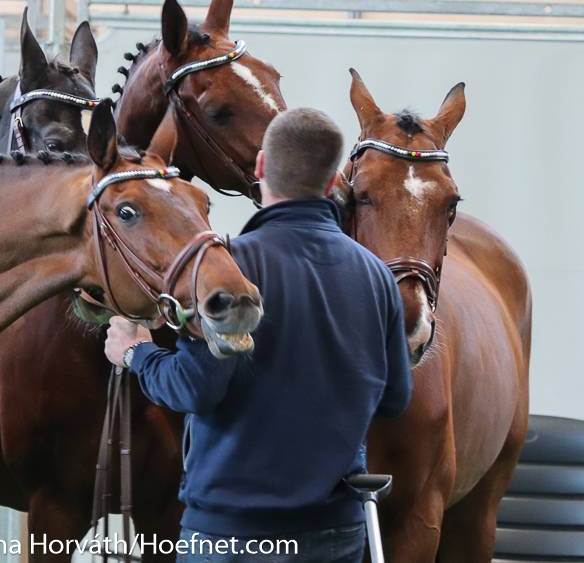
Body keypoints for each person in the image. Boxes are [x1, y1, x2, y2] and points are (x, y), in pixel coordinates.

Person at [105, 107, 413, 562]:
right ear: (333, 183)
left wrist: (137, 354)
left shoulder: (227, 269)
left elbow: (194, 387)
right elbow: (394, 399)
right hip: (337, 531)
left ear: (261, 167)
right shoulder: (375, 275)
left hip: (232, 534)